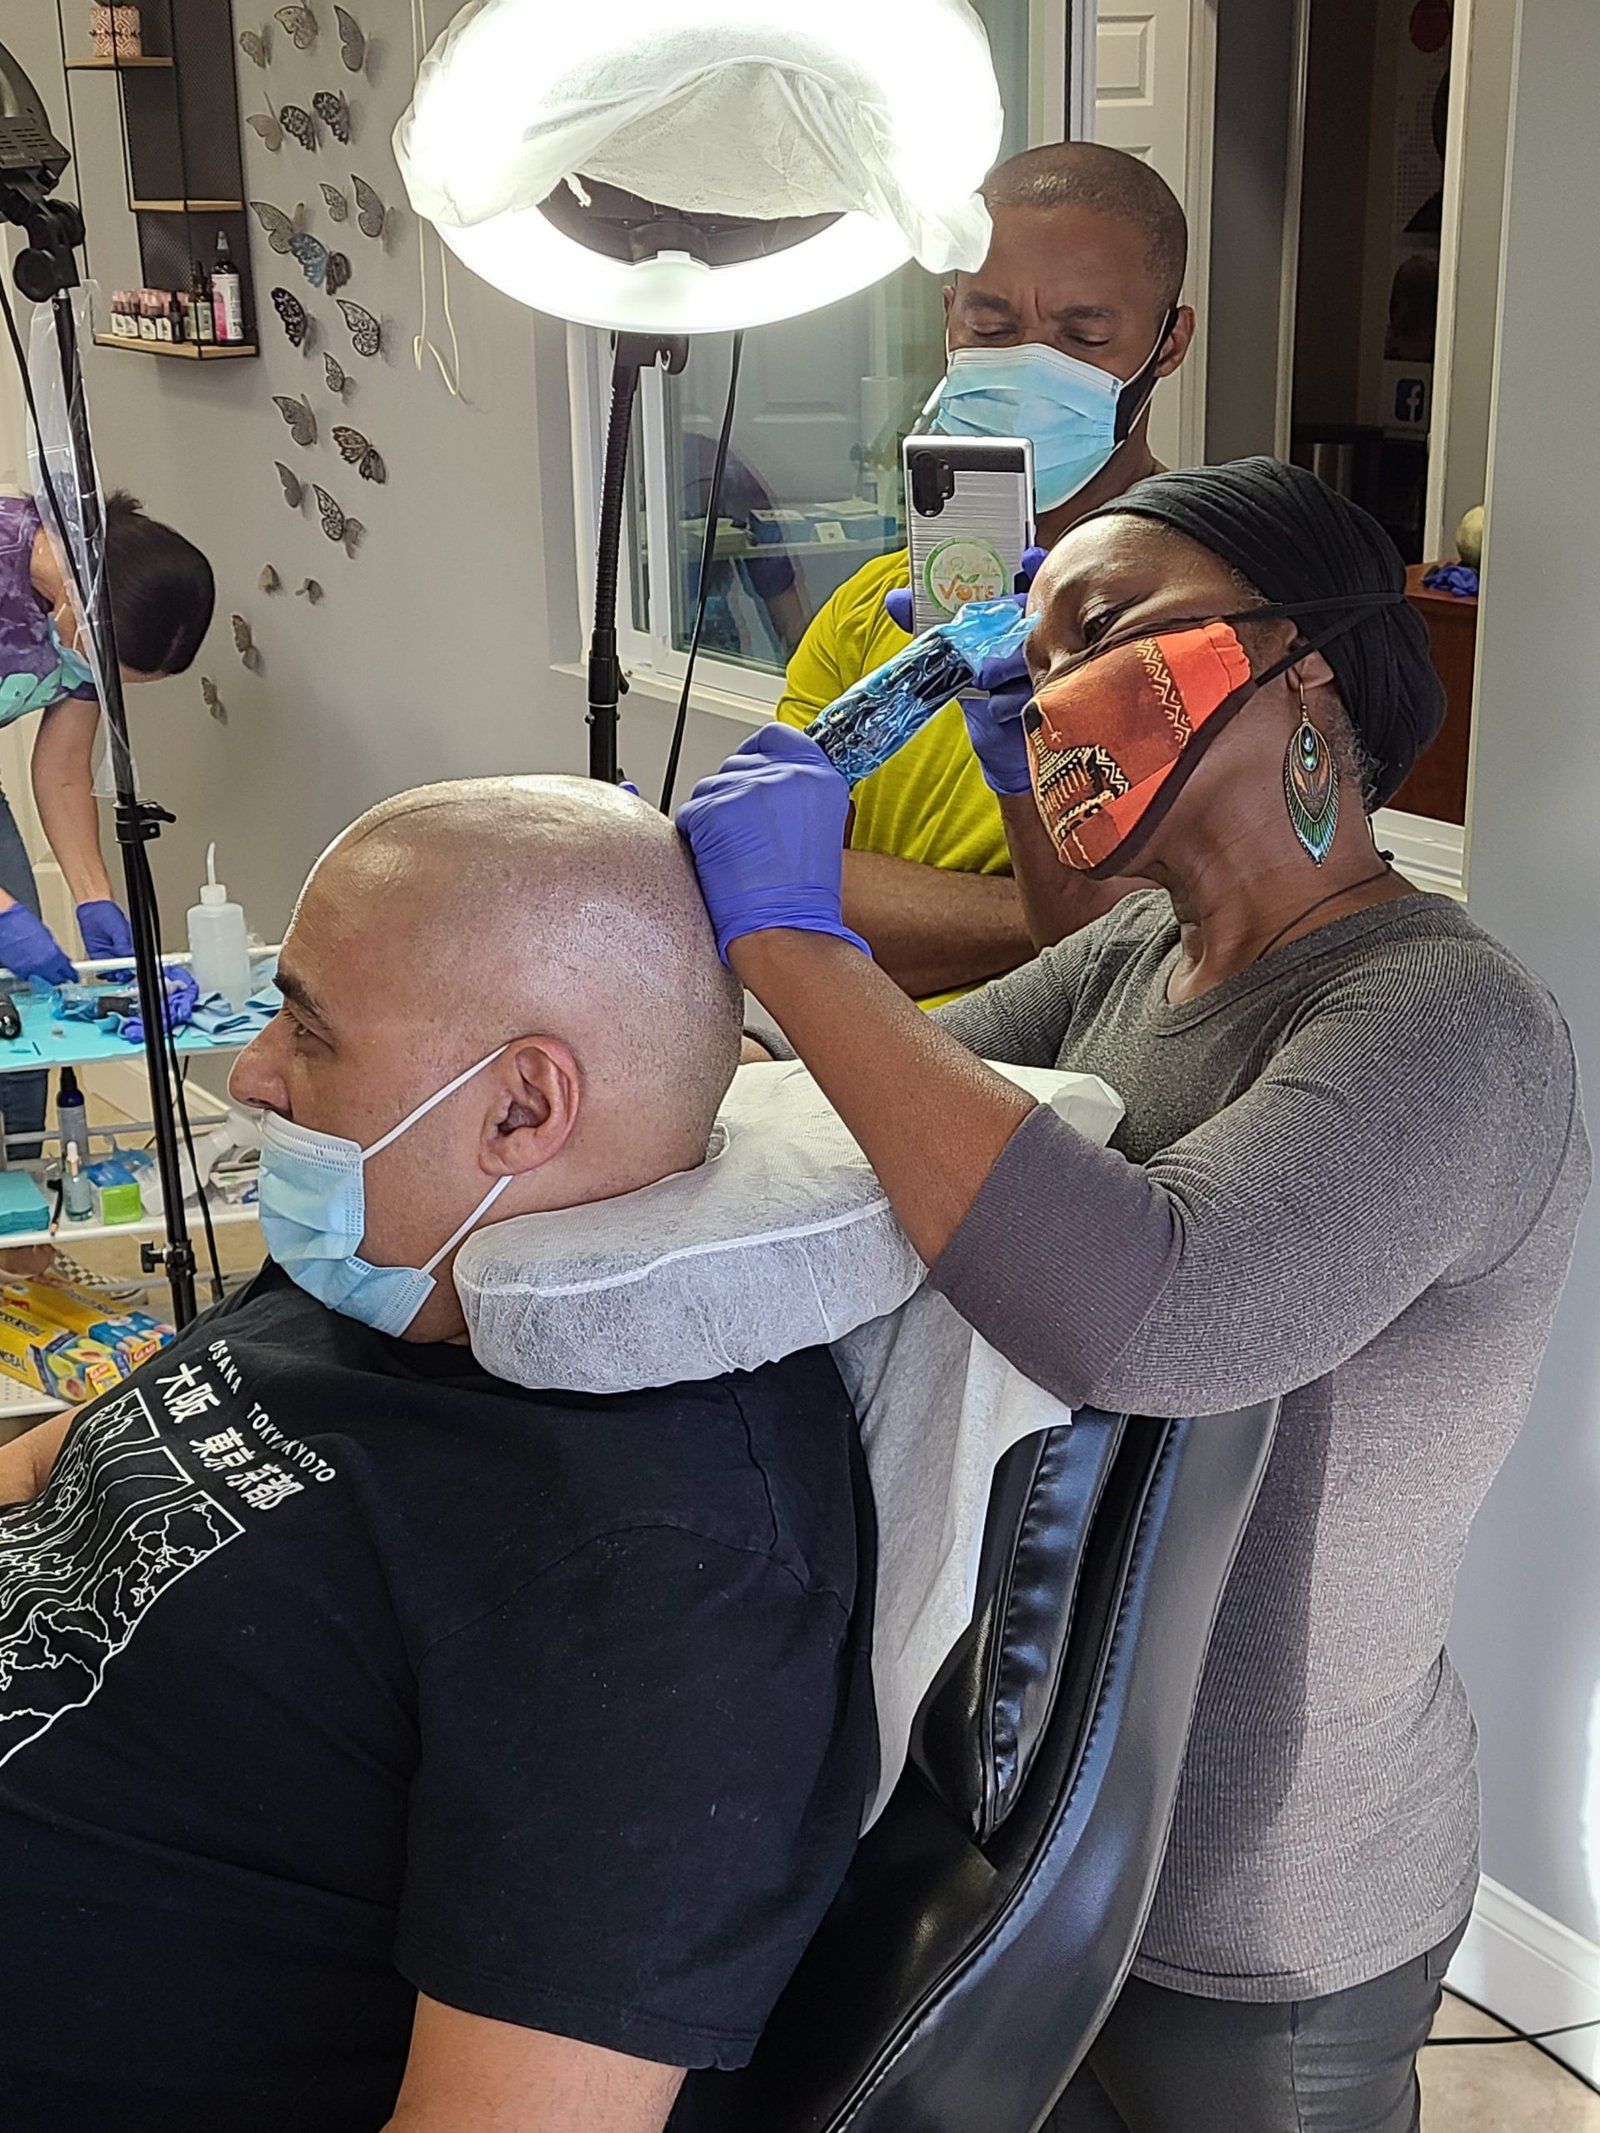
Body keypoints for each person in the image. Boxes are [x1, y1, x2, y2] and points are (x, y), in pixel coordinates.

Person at [678, 456, 1590, 2133]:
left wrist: (796, 942)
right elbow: (858, 1130)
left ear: (1308, 666)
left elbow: (1152, 1313)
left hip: (1266, 1899)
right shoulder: (1135, 956)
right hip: (1038, 1823)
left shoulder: (1447, 1022)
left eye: (1101, 629)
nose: (1046, 696)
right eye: (1027, 662)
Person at [0, 776, 875, 2133]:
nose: (254, 1073)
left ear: (521, 1107)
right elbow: (49, 1469)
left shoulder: (661, 1568)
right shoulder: (383, 1273)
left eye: (309, 1029)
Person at [776, 140, 1195, 1005]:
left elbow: (1152, 968)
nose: (1029, 366)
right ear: (949, 315)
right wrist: (1045, 918)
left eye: (1082, 336)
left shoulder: (1206, 611)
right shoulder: (873, 608)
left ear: (1169, 343)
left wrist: (1085, 930)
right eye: (993, 328)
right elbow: (777, 880)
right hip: (827, 1054)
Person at [0, 485, 213, 1145]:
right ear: (82, 609)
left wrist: (96, 900)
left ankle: (23, 1179)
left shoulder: (97, 613)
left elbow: (64, 770)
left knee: (21, 1007)